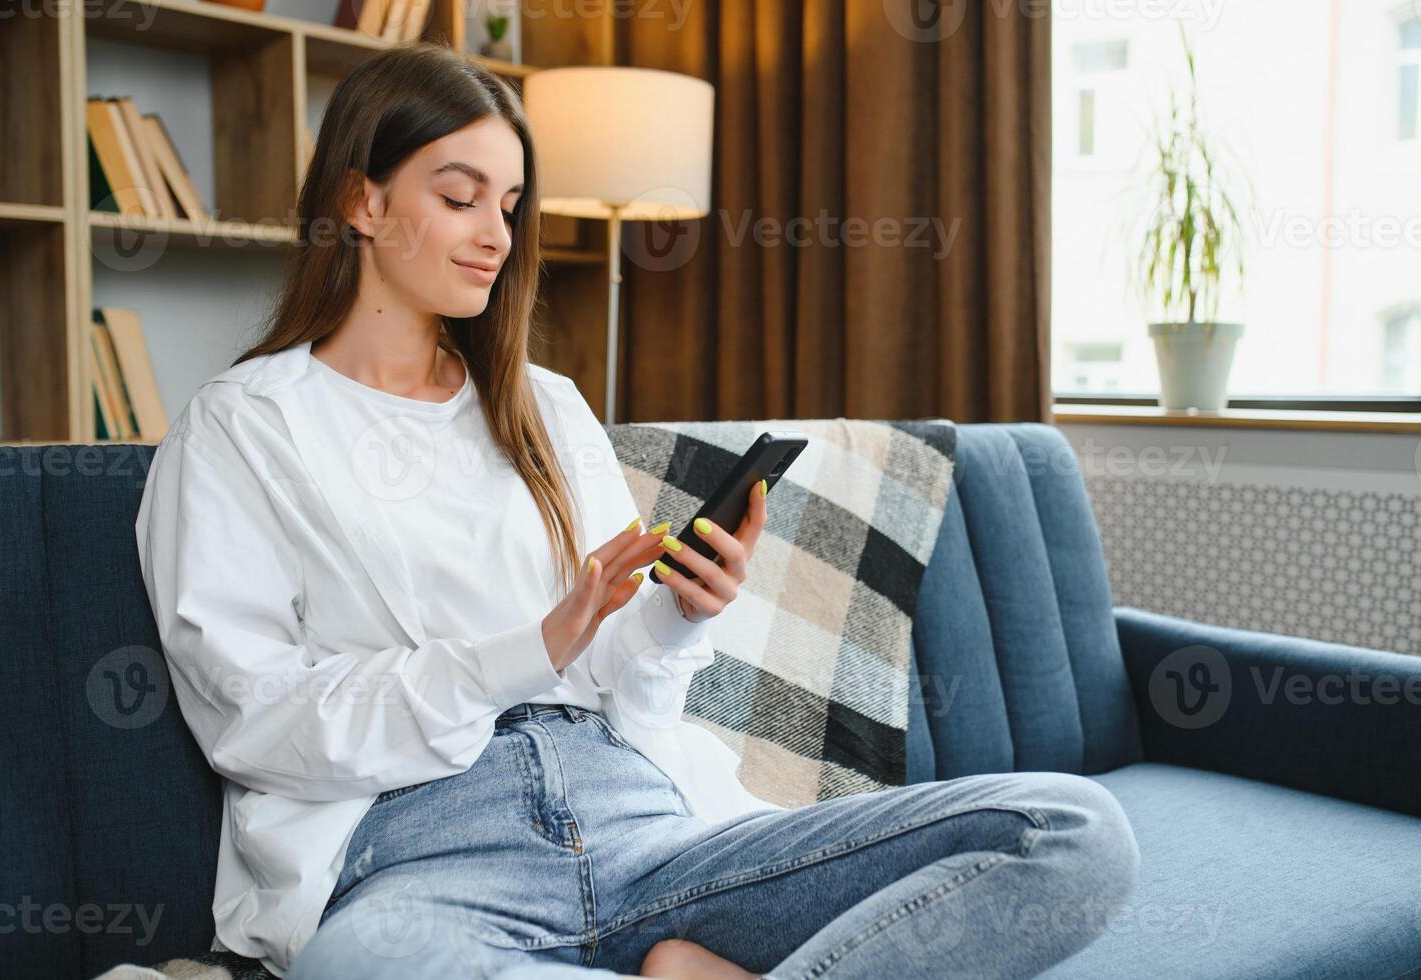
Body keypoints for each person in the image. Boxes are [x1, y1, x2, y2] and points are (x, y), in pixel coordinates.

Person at [134, 41, 1140, 980]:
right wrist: (523, 649)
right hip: (423, 853)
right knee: (359, 968)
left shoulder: (544, 404)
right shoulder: (242, 428)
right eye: (460, 196)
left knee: (1069, 833)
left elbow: (624, 679)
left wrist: (679, 613)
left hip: (645, 821)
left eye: (512, 202)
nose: (498, 234)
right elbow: (252, 718)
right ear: (360, 198)